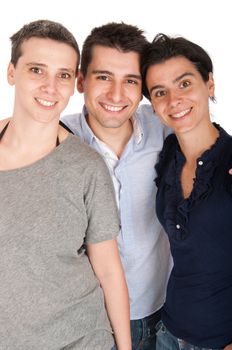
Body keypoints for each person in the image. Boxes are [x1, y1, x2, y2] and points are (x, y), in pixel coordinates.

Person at [0, 19, 131, 350]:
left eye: (63, 75)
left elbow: (109, 271)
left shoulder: (86, 167)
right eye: (37, 70)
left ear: (75, 83)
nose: (51, 86)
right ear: (12, 72)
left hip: (81, 339)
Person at [61, 22, 172, 350]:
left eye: (131, 81)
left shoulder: (164, 126)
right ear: (81, 80)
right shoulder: (57, 137)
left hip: (168, 311)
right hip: (93, 322)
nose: (116, 95)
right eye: (104, 77)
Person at [142, 33, 232, 350]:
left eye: (184, 84)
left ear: (209, 84)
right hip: (168, 332)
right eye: (160, 92)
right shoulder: (167, 154)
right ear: (152, 104)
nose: (173, 101)